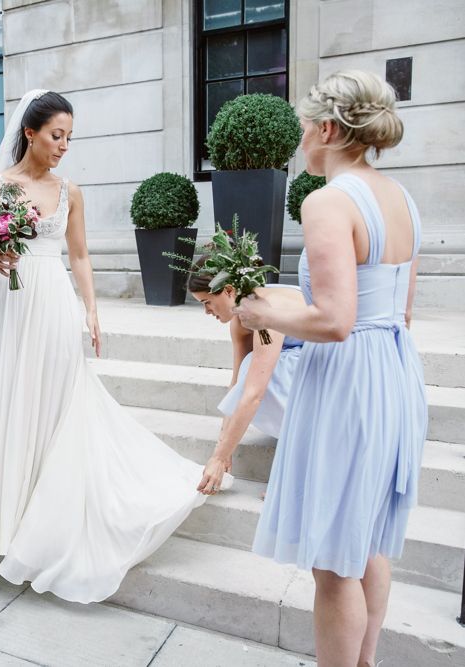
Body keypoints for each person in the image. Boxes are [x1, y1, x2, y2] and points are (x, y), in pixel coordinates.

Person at [0, 89, 219, 604]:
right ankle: (9, 525)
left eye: (70, 137)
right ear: (29, 133)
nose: (64, 146)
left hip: (52, 305)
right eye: (57, 135)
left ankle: (51, 524)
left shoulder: (70, 191)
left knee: (59, 404)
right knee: (17, 404)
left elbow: (79, 256)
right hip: (11, 309)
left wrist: (92, 310)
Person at [234, 70, 427, 667]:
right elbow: (401, 311)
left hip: (346, 380)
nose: (299, 143)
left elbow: (336, 320)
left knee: (332, 560)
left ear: (326, 128)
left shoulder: (327, 201)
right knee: (365, 540)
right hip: (393, 371)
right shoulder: (403, 199)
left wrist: (254, 307)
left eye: (301, 129)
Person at [187, 267, 305, 495]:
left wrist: (219, 459)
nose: (207, 312)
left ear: (229, 290)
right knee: (249, 367)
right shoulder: (241, 318)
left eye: (206, 302)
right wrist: (224, 445)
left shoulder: (264, 313)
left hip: (338, 365)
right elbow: (237, 386)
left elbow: (254, 393)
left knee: (262, 369)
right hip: (307, 360)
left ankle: (299, 476)